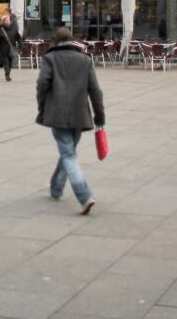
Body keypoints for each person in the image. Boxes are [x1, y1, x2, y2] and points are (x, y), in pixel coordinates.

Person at [36, 27, 105, 215]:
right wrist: (99, 116)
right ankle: (56, 188)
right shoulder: (85, 60)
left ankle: (84, 196)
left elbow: (42, 85)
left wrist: (42, 107)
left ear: (56, 41)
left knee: (68, 155)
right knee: (68, 152)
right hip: (79, 115)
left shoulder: (50, 59)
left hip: (57, 113)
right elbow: (95, 91)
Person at [0, 13, 22, 82]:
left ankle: (8, 73)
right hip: (3, 48)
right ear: (3, 22)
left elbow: (18, 37)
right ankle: (7, 74)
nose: (7, 21)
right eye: (5, 20)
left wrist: (20, 45)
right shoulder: (1, 29)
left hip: (12, 47)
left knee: (10, 62)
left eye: (8, 20)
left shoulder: (14, 28)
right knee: (5, 61)